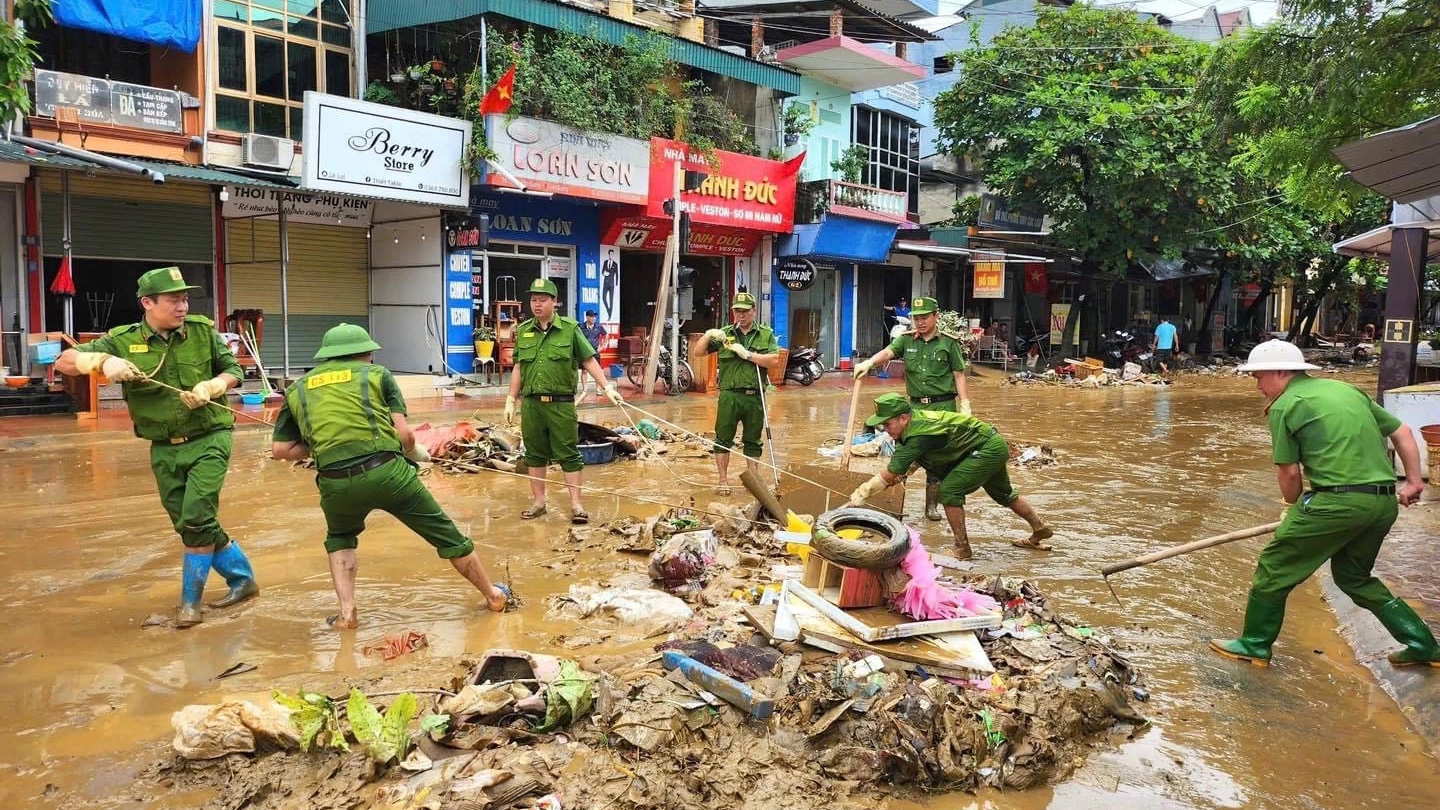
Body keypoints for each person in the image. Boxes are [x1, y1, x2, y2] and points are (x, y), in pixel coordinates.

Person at [1210, 340, 1439, 668]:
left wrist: (1291, 507)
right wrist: (1414, 482)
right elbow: (1402, 432)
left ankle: (1254, 644)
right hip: (1381, 503)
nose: (1258, 385)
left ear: (1282, 371)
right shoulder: (1346, 391)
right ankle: (1423, 646)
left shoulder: (1284, 406)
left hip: (1336, 503)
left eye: (1259, 376)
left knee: (1274, 567)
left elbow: (1289, 474)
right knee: (1353, 577)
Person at [55, 266, 258, 627]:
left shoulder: (201, 332)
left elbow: (236, 371)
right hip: (163, 446)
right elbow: (64, 362)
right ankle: (242, 579)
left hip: (210, 436)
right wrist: (100, 361)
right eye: (173, 300)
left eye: (184, 299)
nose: (182, 307)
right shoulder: (122, 338)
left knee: (196, 516)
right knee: (188, 523)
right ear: (147, 302)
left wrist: (213, 386)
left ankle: (190, 606)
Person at [270, 324, 510, 629]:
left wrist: (323, 445)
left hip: (336, 482)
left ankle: (347, 614)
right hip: (387, 473)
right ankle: (492, 595)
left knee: (340, 539)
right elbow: (404, 436)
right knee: (447, 535)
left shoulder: (297, 389)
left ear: (327, 357)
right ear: (367, 353)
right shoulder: (378, 375)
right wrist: (417, 453)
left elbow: (280, 450)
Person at [847, 393, 1053, 560]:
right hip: (993, 444)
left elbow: (890, 473)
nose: (885, 430)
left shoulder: (916, 435)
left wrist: (863, 492)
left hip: (985, 449)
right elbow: (920, 457)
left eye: (888, 424)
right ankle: (1040, 529)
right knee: (1005, 494)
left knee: (949, 491)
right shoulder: (916, 422)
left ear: (903, 418)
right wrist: (905, 471)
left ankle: (962, 548)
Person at [505, 278, 623, 524]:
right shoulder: (525, 330)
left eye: (542, 300)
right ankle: (539, 503)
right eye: (533, 300)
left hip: (560, 404)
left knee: (569, 454)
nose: (537, 305)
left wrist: (607, 387)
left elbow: (589, 360)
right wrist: (510, 398)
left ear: (554, 302)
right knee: (534, 455)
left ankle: (576, 505)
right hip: (532, 405)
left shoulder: (570, 329)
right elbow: (518, 366)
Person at [853, 296, 972, 521]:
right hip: (914, 409)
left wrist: (965, 404)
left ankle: (931, 507)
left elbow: (958, 374)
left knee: (938, 458)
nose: (920, 322)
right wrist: (869, 363)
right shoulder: (906, 341)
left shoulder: (949, 342)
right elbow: (888, 352)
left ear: (936, 316)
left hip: (943, 407)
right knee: (904, 455)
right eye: (916, 318)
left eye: (925, 317)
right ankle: (894, 504)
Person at [702, 291, 781, 494]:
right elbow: (698, 352)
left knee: (753, 440)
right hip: (729, 396)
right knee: (723, 439)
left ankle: (753, 481)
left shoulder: (765, 334)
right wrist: (709, 334)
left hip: (754, 396)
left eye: (745, 311)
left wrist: (747, 354)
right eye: (737, 311)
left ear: (754, 311)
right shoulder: (725, 334)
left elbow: (773, 360)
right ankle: (722, 481)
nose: (741, 315)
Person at [600, 249, 619, 321]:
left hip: (611, 284)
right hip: (605, 283)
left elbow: (617, 274)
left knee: (611, 300)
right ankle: (609, 311)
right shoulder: (605, 262)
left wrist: (616, 283)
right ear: (608, 254)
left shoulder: (615, 264)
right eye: (610, 254)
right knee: (603, 298)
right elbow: (602, 271)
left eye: (612, 254)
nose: (611, 255)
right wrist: (604, 273)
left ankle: (610, 316)